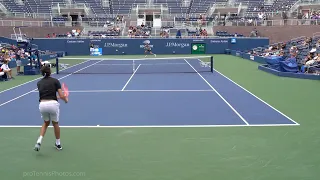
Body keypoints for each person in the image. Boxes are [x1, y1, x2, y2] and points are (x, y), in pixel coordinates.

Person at [34, 65, 68, 151]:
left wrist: (60, 97)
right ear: (50, 72)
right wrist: (65, 99)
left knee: (46, 123)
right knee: (55, 123)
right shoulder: (55, 81)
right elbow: (60, 95)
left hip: (42, 104)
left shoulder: (39, 83)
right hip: (53, 104)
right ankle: (58, 144)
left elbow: (47, 95)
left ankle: (39, 140)